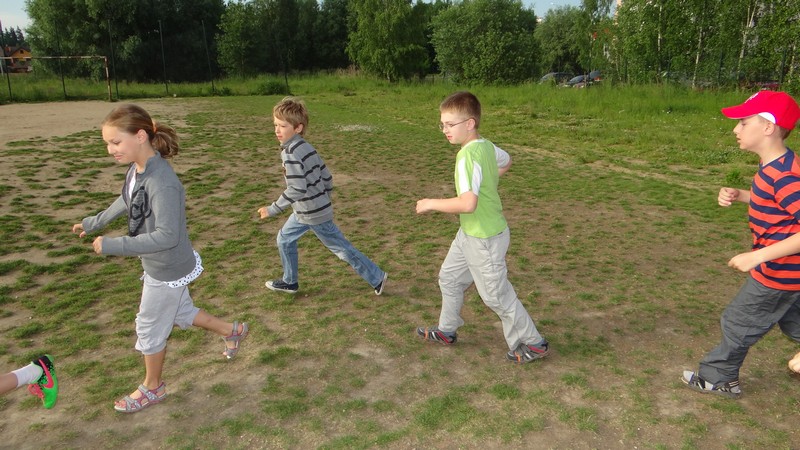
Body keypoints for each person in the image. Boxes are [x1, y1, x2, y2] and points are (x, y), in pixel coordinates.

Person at [72, 104, 249, 413]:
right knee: (180, 311)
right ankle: (231, 331)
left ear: (140, 136)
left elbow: (167, 236)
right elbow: (127, 199)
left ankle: (153, 387)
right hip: (163, 264)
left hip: (167, 267)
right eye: (107, 143)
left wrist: (114, 245)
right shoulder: (137, 168)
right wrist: (95, 223)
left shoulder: (162, 182)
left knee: (150, 326)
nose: (110, 149)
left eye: (116, 142)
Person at [414, 91, 549, 364]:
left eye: (450, 124)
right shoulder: (486, 146)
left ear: (470, 123)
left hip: (484, 238)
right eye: (442, 124)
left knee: (497, 296)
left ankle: (534, 343)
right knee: (450, 278)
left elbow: (467, 204)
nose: (445, 130)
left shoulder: (467, 157)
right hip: (469, 234)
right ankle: (447, 330)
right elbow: (506, 161)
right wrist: (488, 180)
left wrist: (430, 203)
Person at [682, 90, 800, 399]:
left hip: (779, 272)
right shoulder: (775, 166)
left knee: (738, 321)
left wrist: (758, 256)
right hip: (788, 272)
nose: (736, 129)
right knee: (793, 322)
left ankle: (718, 378)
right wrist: (741, 195)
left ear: (768, 127)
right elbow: (778, 204)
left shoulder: (785, 176)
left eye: (744, 122)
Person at [258, 96, 388, 295]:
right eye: (275, 125)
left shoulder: (290, 153)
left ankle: (376, 277)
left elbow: (297, 188)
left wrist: (272, 209)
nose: (277, 130)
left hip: (312, 213)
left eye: (283, 126)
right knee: (284, 239)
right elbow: (326, 176)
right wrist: (324, 196)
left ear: (298, 128)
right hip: (306, 211)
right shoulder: (305, 146)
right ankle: (290, 281)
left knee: (341, 248)